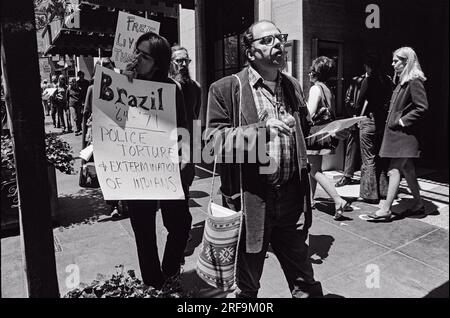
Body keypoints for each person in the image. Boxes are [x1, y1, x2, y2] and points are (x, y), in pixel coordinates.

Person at [206, 20, 323, 298]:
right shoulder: (226, 89)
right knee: (248, 285)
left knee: (304, 280)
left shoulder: (292, 85)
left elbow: (304, 132)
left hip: (292, 200)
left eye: (279, 38)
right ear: (250, 52)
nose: (277, 44)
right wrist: (261, 131)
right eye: (267, 40)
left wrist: (328, 135)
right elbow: (213, 143)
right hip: (252, 202)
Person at [123, 32, 192, 293]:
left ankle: (169, 272)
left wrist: (185, 152)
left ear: (159, 61)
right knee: (143, 231)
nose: (137, 58)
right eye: (136, 52)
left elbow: (183, 125)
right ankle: (154, 284)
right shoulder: (124, 83)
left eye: (144, 55)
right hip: (135, 168)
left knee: (180, 224)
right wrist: (123, 83)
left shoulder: (172, 88)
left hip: (166, 167)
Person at [368, 47, 428, 220]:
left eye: (396, 61)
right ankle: (418, 204)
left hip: (404, 135)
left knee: (394, 170)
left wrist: (401, 121)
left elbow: (422, 107)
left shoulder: (414, 80)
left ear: (406, 61)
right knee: (407, 169)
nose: (392, 64)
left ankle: (386, 209)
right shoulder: (404, 80)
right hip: (398, 133)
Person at [306, 56, 351, 220]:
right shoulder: (328, 89)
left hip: (315, 134)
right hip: (326, 134)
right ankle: (310, 199)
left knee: (313, 170)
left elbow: (309, 115)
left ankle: (338, 200)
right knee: (315, 167)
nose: (309, 73)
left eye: (311, 70)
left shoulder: (315, 89)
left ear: (316, 72)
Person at [81, 57, 122, 218]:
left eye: (109, 66)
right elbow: (85, 114)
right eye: (103, 66)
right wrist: (86, 142)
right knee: (107, 171)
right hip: (100, 137)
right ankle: (114, 205)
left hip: (120, 136)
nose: (107, 68)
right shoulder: (92, 89)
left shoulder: (120, 87)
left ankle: (123, 200)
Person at [355, 53, 392, 203]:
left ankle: (369, 194)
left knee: (368, 158)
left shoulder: (368, 80)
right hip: (382, 122)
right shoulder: (387, 80)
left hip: (369, 120)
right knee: (381, 157)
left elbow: (359, 102)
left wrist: (357, 117)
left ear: (368, 66)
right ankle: (384, 190)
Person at [335, 73, 366, 187]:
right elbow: (348, 100)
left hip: (370, 120)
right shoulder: (357, 80)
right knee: (352, 145)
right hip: (356, 117)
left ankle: (366, 176)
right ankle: (347, 175)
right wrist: (354, 115)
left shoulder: (382, 79)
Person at [67, 71, 89, 135]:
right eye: (70, 82)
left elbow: (82, 94)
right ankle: (76, 130)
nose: (72, 83)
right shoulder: (68, 89)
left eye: (73, 82)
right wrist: (67, 105)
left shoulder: (79, 88)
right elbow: (67, 96)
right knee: (75, 117)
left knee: (79, 117)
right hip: (72, 104)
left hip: (79, 103)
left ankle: (79, 129)